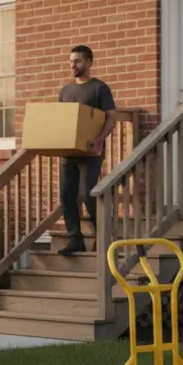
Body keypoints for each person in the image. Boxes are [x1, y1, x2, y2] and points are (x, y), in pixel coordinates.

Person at [57, 45, 117, 256]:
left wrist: (100, 140)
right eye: (71, 61)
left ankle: (104, 236)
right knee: (66, 196)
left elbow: (111, 117)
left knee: (88, 193)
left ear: (89, 62)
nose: (73, 65)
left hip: (91, 151)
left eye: (78, 61)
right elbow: (61, 121)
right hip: (68, 152)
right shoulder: (65, 90)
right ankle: (75, 238)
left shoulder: (99, 88)